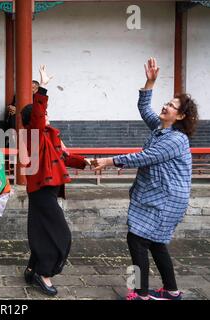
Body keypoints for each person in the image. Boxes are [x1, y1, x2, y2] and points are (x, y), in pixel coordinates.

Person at [94, 58, 199, 300]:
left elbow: (145, 157)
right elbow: (145, 109)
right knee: (155, 242)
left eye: (172, 106)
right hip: (160, 195)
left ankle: (140, 293)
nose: (165, 107)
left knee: (137, 239)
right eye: (167, 103)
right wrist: (150, 82)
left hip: (165, 199)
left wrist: (109, 161)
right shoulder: (162, 128)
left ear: (181, 116)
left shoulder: (176, 140)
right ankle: (171, 291)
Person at [22, 65, 92, 296]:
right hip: (41, 189)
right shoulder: (33, 135)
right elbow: (39, 116)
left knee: (43, 230)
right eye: (42, 115)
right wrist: (42, 88)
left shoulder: (50, 138)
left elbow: (64, 157)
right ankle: (45, 274)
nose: (46, 117)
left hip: (49, 190)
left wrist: (85, 163)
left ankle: (33, 269)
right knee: (61, 234)